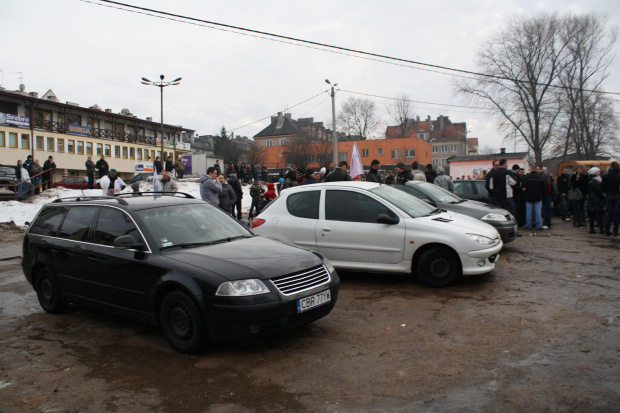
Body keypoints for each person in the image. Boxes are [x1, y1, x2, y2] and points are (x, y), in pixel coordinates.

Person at [522, 165, 546, 230]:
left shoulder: (526, 178)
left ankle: (528, 225)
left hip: (528, 197)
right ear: (536, 169)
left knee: (529, 212)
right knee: (538, 212)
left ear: (530, 169)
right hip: (538, 197)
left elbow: (523, 188)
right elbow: (544, 188)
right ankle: (539, 225)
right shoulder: (541, 178)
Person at [601, 161, 620, 236]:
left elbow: (602, 187)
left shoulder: (606, 176)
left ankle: (607, 230)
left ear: (611, 167)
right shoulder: (619, 175)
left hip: (608, 195)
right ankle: (615, 230)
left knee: (609, 213)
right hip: (617, 195)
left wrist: (606, 192)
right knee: (616, 214)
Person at [586, 167, 605, 234]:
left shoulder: (590, 181)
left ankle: (592, 229)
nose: (599, 172)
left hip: (591, 199)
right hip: (597, 200)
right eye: (597, 171)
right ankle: (601, 230)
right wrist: (603, 196)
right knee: (599, 215)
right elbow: (598, 191)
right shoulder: (596, 181)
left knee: (592, 215)